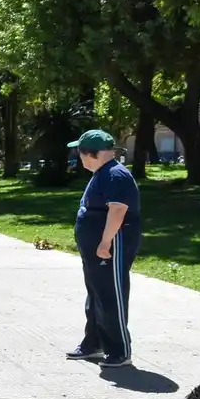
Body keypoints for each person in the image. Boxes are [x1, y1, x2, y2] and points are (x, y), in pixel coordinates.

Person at [66, 129, 141, 369]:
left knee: (111, 295)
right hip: (95, 248)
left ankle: (119, 350)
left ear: (90, 154)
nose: (80, 159)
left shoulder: (115, 174)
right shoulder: (103, 172)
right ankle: (94, 343)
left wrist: (105, 241)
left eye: (80, 154)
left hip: (110, 245)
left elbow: (118, 210)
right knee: (97, 294)